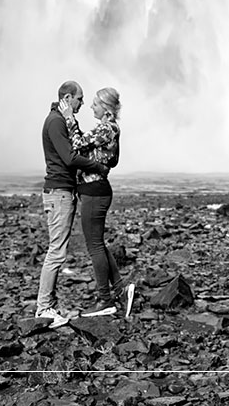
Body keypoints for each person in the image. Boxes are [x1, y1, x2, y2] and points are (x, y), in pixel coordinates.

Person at [36, 80, 109, 328]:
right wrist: (97, 167)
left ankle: (49, 305)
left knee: (58, 249)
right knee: (56, 251)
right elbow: (69, 157)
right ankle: (44, 308)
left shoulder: (58, 119)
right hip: (58, 192)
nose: (82, 103)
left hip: (61, 191)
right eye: (79, 98)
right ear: (67, 98)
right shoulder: (56, 121)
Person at [68, 86, 134, 318]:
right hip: (96, 190)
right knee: (99, 244)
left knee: (94, 246)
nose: (90, 107)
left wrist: (68, 118)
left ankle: (105, 300)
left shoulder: (105, 129)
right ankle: (120, 290)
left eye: (95, 104)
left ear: (106, 110)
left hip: (94, 192)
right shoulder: (110, 129)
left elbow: (76, 143)